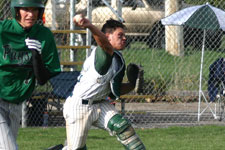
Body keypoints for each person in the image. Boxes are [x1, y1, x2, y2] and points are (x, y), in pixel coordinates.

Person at [62, 14, 146, 150]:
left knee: (124, 129)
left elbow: (114, 91)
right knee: (75, 149)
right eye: (120, 35)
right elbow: (106, 46)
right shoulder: (102, 54)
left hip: (100, 104)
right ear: (107, 37)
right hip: (80, 107)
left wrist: (131, 85)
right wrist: (89, 25)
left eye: (124, 35)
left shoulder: (117, 59)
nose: (124, 38)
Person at [0, 0, 61, 149]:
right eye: (25, 9)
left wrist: (36, 57)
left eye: (35, 10)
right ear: (16, 11)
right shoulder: (3, 30)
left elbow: (42, 79)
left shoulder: (43, 35)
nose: (30, 14)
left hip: (16, 101)